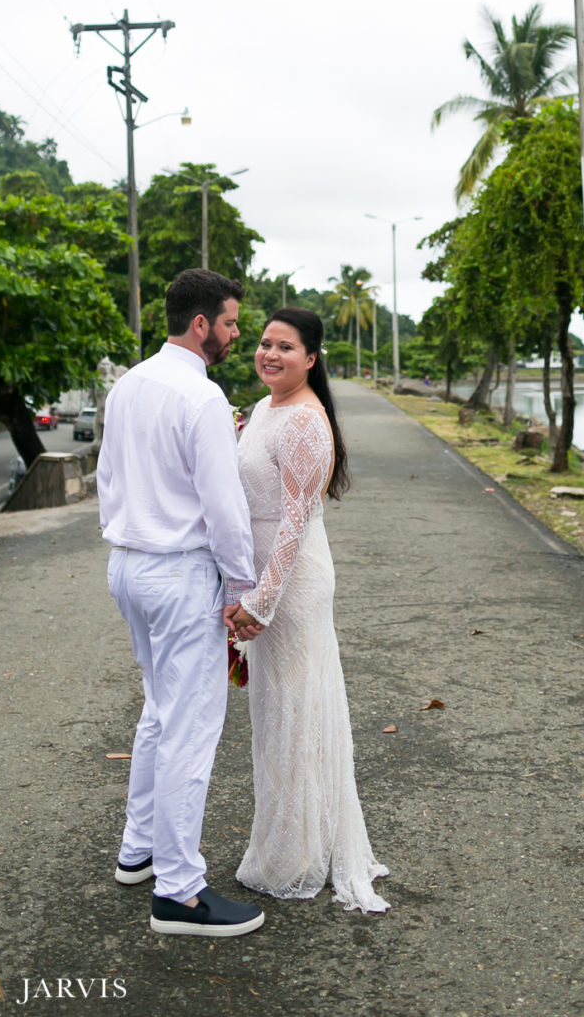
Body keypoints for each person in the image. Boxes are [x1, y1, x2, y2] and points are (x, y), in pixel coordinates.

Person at [97, 268, 265, 940]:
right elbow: (225, 510)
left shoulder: (128, 383)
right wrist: (242, 589)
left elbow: (109, 477)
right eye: (228, 323)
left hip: (128, 565)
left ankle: (138, 849)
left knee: (159, 711)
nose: (233, 335)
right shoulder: (201, 397)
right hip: (179, 572)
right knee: (190, 726)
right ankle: (179, 890)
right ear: (201, 324)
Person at [225, 307, 389, 914]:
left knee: (295, 716)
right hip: (264, 575)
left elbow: (294, 520)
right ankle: (294, 843)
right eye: (264, 344)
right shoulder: (267, 408)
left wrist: (260, 603)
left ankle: (295, 857)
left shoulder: (304, 422)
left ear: (311, 359)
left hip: (290, 585)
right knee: (276, 717)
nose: (270, 354)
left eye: (285, 348)